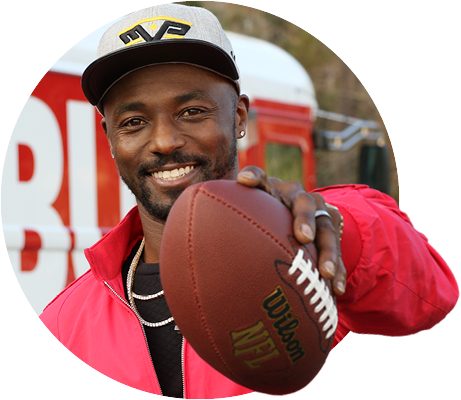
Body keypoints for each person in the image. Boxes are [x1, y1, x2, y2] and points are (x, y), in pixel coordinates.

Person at [40, 3, 458, 398]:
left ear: (238, 116)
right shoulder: (61, 325)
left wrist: (335, 233)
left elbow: (431, 294)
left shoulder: (311, 259)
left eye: (192, 111)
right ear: (111, 139)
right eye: (133, 122)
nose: (164, 141)